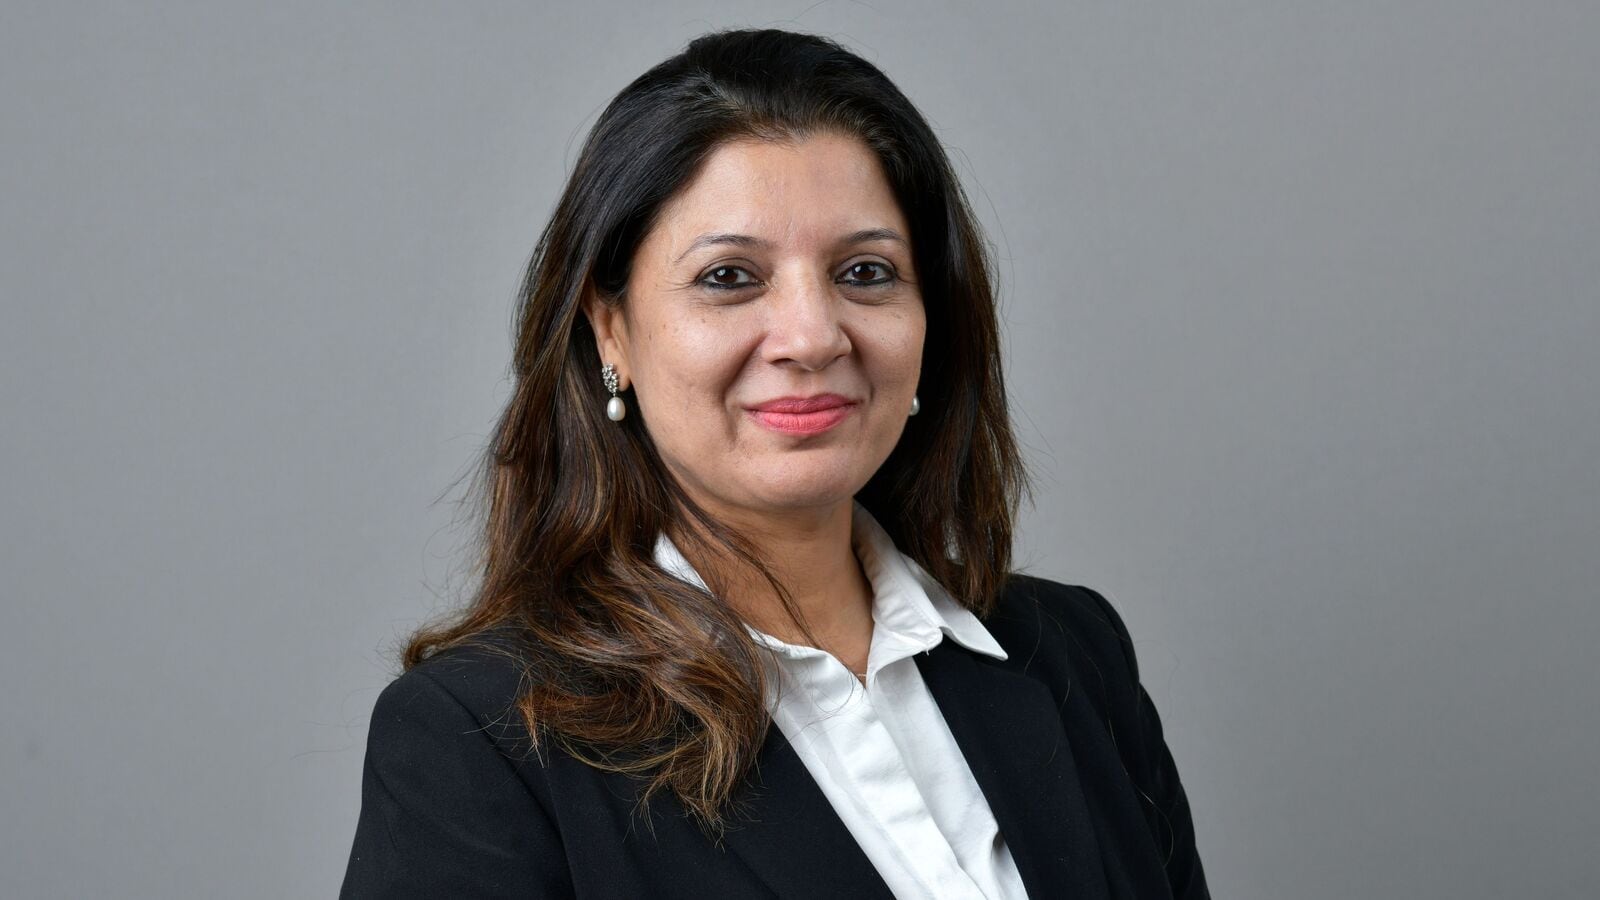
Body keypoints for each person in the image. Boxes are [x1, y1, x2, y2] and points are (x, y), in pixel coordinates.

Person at [340, 27, 1209, 900]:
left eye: (865, 272)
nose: (812, 337)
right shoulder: (482, 742)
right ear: (611, 332)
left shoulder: (1073, 655)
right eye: (729, 277)